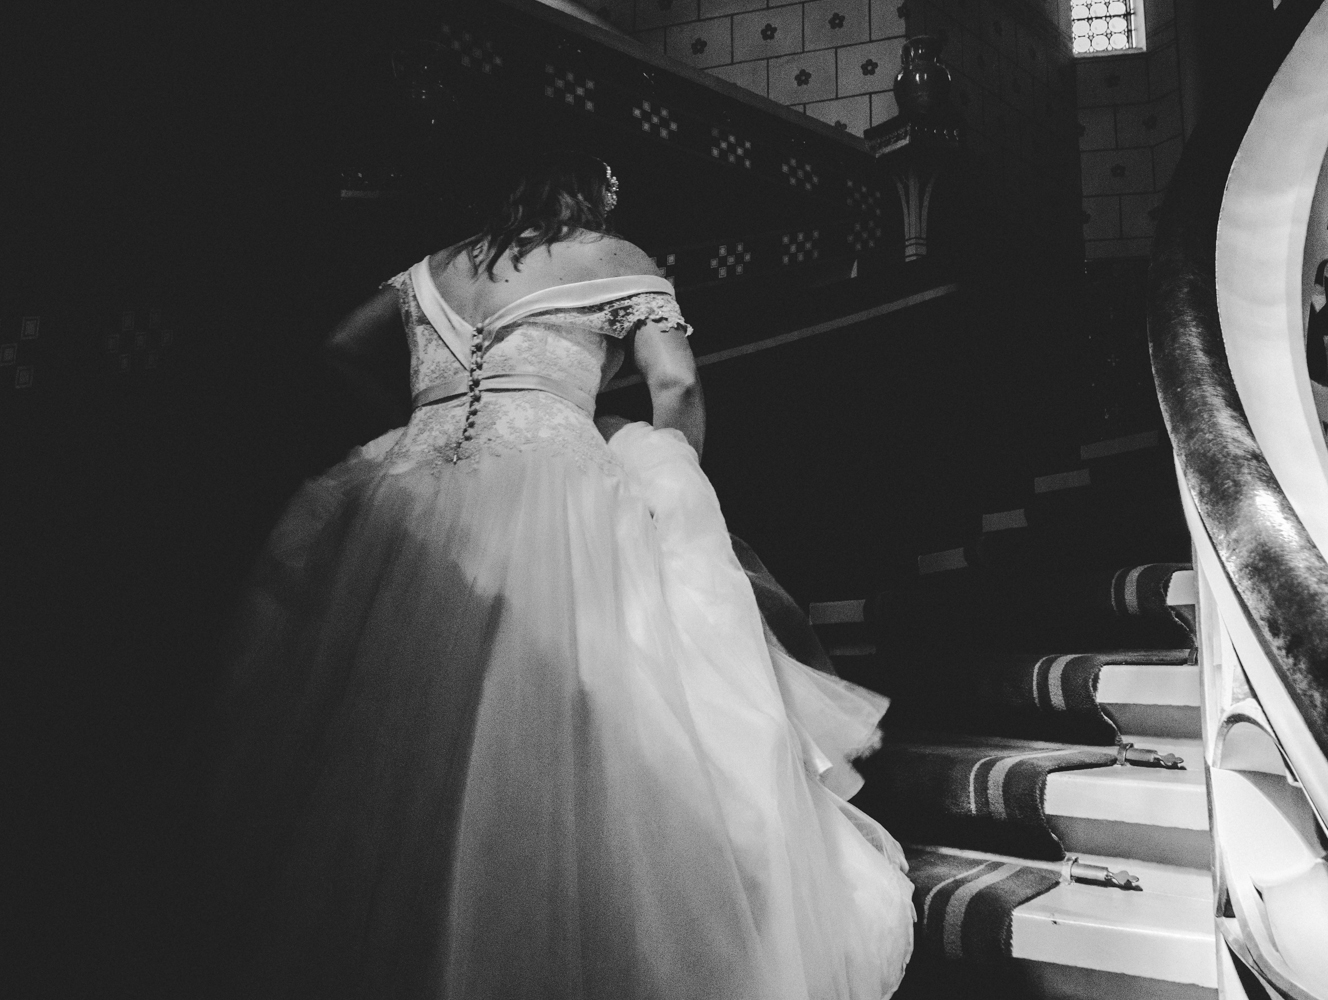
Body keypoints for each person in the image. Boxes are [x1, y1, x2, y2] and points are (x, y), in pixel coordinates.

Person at [199, 150, 914, 999]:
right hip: (558, 494)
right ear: (597, 193)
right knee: (586, 724)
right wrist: (665, 475)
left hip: (411, 498)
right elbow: (675, 380)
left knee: (395, 730)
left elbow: (338, 348)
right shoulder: (616, 259)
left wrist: (413, 424)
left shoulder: (437, 265)